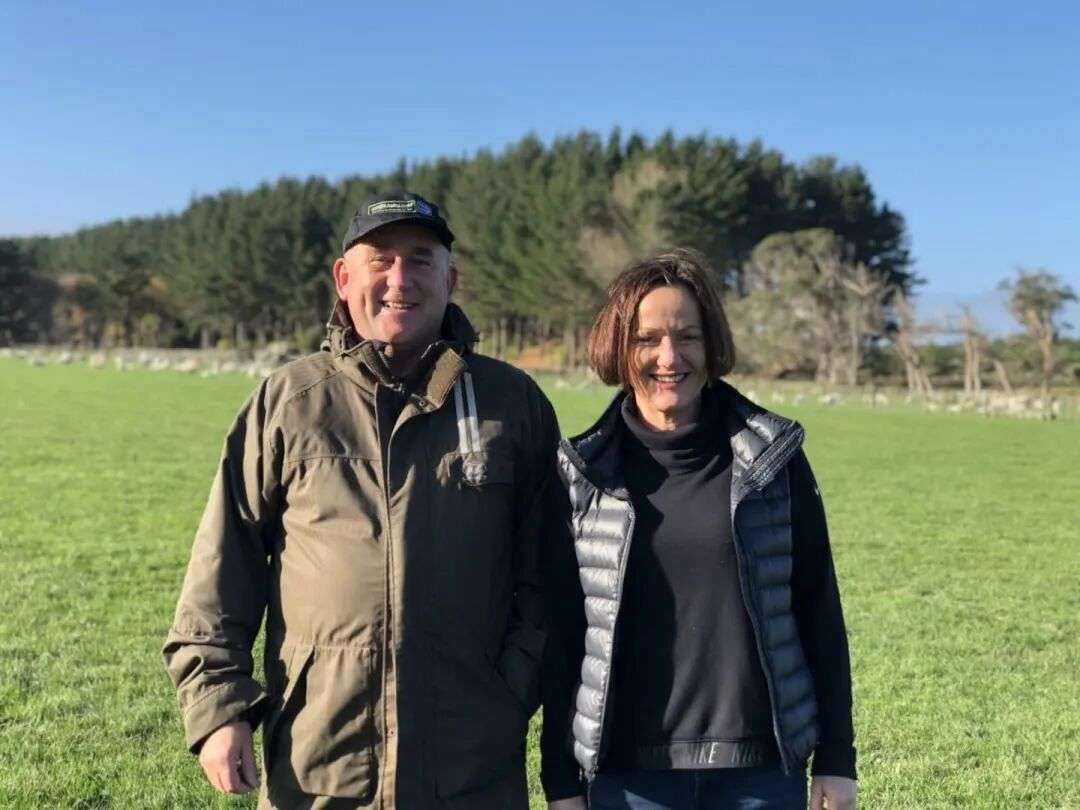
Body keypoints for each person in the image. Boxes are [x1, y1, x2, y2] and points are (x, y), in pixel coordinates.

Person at [163, 191, 559, 809]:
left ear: (451, 280)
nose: (400, 279)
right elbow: (224, 562)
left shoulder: (513, 403)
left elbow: (549, 572)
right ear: (345, 279)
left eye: (420, 260)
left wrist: (513, 685)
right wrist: (218, 706)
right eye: (380, 260)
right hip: (317, 761)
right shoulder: (288, 402)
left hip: (471, 763)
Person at [540, 249, 857, 810]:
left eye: (687, 336)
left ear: (712, 347)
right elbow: (566, 636)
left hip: (760, 774)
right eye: (647, 339)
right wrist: (562, 783)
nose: (669, 356)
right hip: (628, 779)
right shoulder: (582, 472)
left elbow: (817, 609)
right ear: (619, 347)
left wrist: (836, 759)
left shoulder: (774, 461)